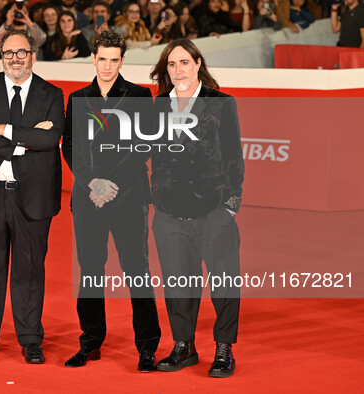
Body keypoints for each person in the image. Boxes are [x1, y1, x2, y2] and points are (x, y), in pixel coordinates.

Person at [0, 29, 64, 366]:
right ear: (1, 56)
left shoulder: (52, 93)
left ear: (33, 56)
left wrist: (2, 129)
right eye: (8, 53)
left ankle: (31, 340)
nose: (15, 59)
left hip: (31, 196)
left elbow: (51, 141)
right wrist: (25, 140)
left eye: (21, 52)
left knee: (29, 271)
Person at [62, 30, 161, 373]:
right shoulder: (77, 97)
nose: (107, 65)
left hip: (128, 199)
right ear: (93, 58)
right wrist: (92, 182)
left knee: (137, 272)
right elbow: (70, 145)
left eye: (114, 59)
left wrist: (111, 183)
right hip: (88, 198)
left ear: (122, 60)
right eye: (101, 58)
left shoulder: (139, 95)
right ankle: (90, 342)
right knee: (91, 272)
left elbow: (143, 145)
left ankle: (147, 348)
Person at [149, 38, 244, 378]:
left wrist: (230, 206)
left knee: (223, 281)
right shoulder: (158, 106)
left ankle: (223, 348)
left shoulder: (221, 104)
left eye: (184, 63)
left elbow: (234, 156)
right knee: (176, 283)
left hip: (213, 211)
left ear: (198, 64)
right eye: (172, 64)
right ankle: (184, 345)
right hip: (169, 212)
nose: (178, 70)